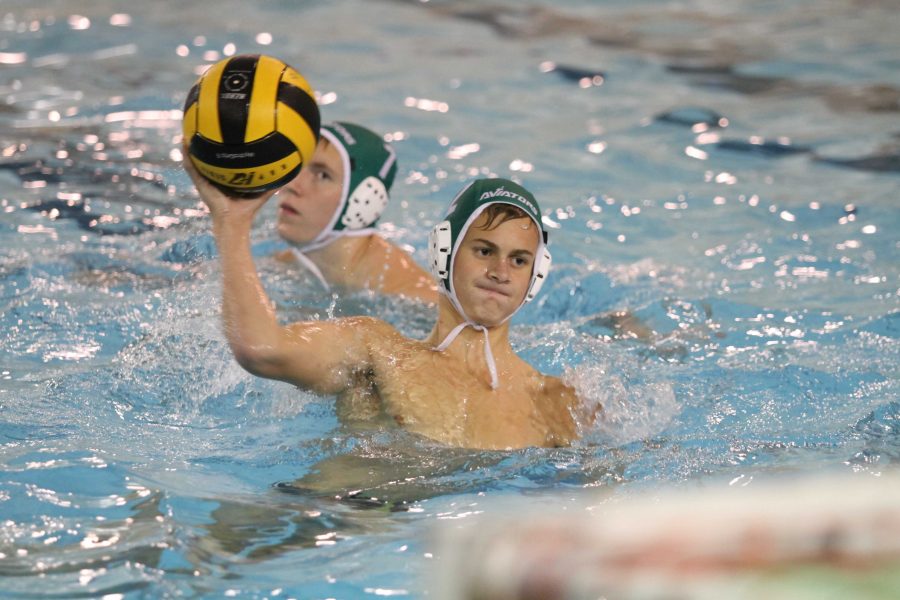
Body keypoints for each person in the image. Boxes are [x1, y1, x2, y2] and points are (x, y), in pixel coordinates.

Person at [185, 161, 597, 450]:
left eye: (519, 260)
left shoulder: (557, 403)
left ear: (536, 276)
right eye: (484, 250)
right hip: (337, 526)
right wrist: (232, 223)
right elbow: (261, 350)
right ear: (443, 253)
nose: (500, 271)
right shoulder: (377, 353)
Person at [271, 121, 437, 302]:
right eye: (298, 166)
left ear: (365, 199)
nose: (292, 184)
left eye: (322, 175)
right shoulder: (285, 265)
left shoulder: (413, 297)